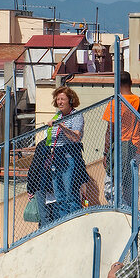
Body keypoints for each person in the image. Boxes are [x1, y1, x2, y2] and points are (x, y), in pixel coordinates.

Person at [101, 71, 140, 206]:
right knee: (130, 183)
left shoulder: (115, 102)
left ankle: (117, 209)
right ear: (131, 83)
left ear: (116, 84)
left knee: (112, 183)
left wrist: (105, 153)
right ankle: (130, 210)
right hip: (135, 149)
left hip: (118, 149)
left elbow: (109, 130)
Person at [45, 86, 89, 221]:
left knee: (71, 194)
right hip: (56, 157)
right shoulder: (58, 116)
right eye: (57, 99)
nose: (59, 102)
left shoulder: (76, 115)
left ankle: (75, 221)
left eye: (62, 99)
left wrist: (61, 126)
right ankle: (63, 222)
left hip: (68, 156)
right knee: (59, 196)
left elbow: (76, 137)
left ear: (70, 100)